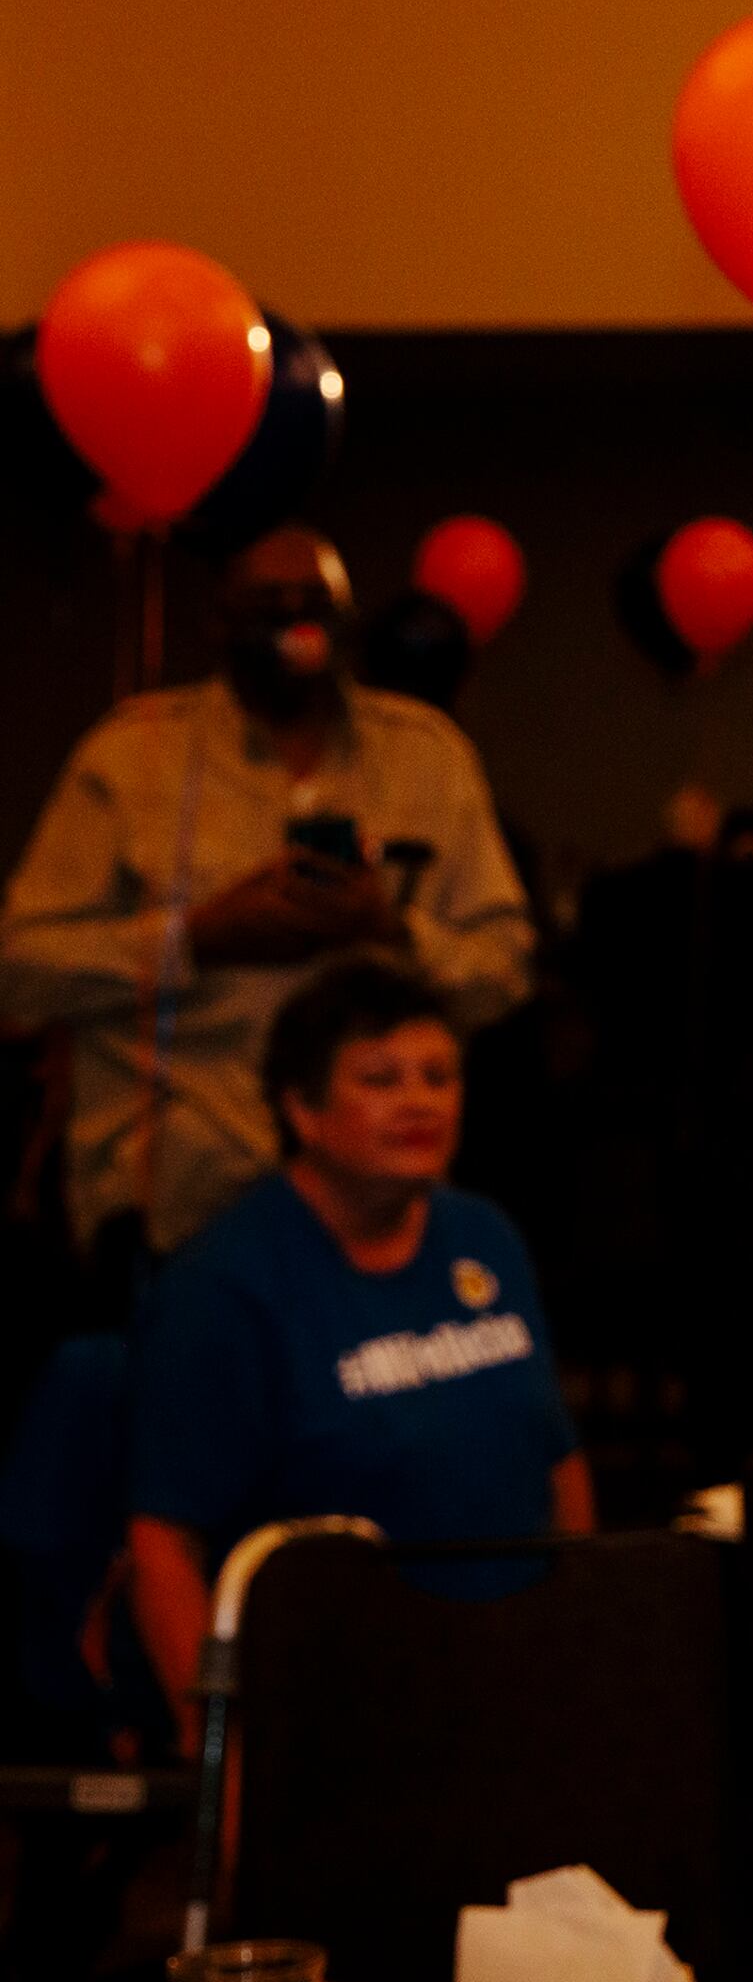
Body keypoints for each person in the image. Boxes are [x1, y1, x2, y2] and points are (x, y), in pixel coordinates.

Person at [0, 528, 533, 1280]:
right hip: (176, 1206)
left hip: (376, 1210)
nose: (293, 622)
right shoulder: (131, 756)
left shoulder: (427, 757)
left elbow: (505, 968)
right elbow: (20, 970)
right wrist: (197, 940)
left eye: (315, 603)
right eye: (265, 604)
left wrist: (388, 929)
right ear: (215, 621)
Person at [124, 957, 586, 1749]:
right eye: (381, 1079)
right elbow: (164, 1542)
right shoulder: (223, 1287)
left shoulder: (485, 1236)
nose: (420, 1102)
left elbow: (558, 1460)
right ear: (302, 1109)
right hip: (338, 1703)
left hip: (518, 1672)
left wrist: (589, 1632)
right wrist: (219, 1757)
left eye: (439, 1076)